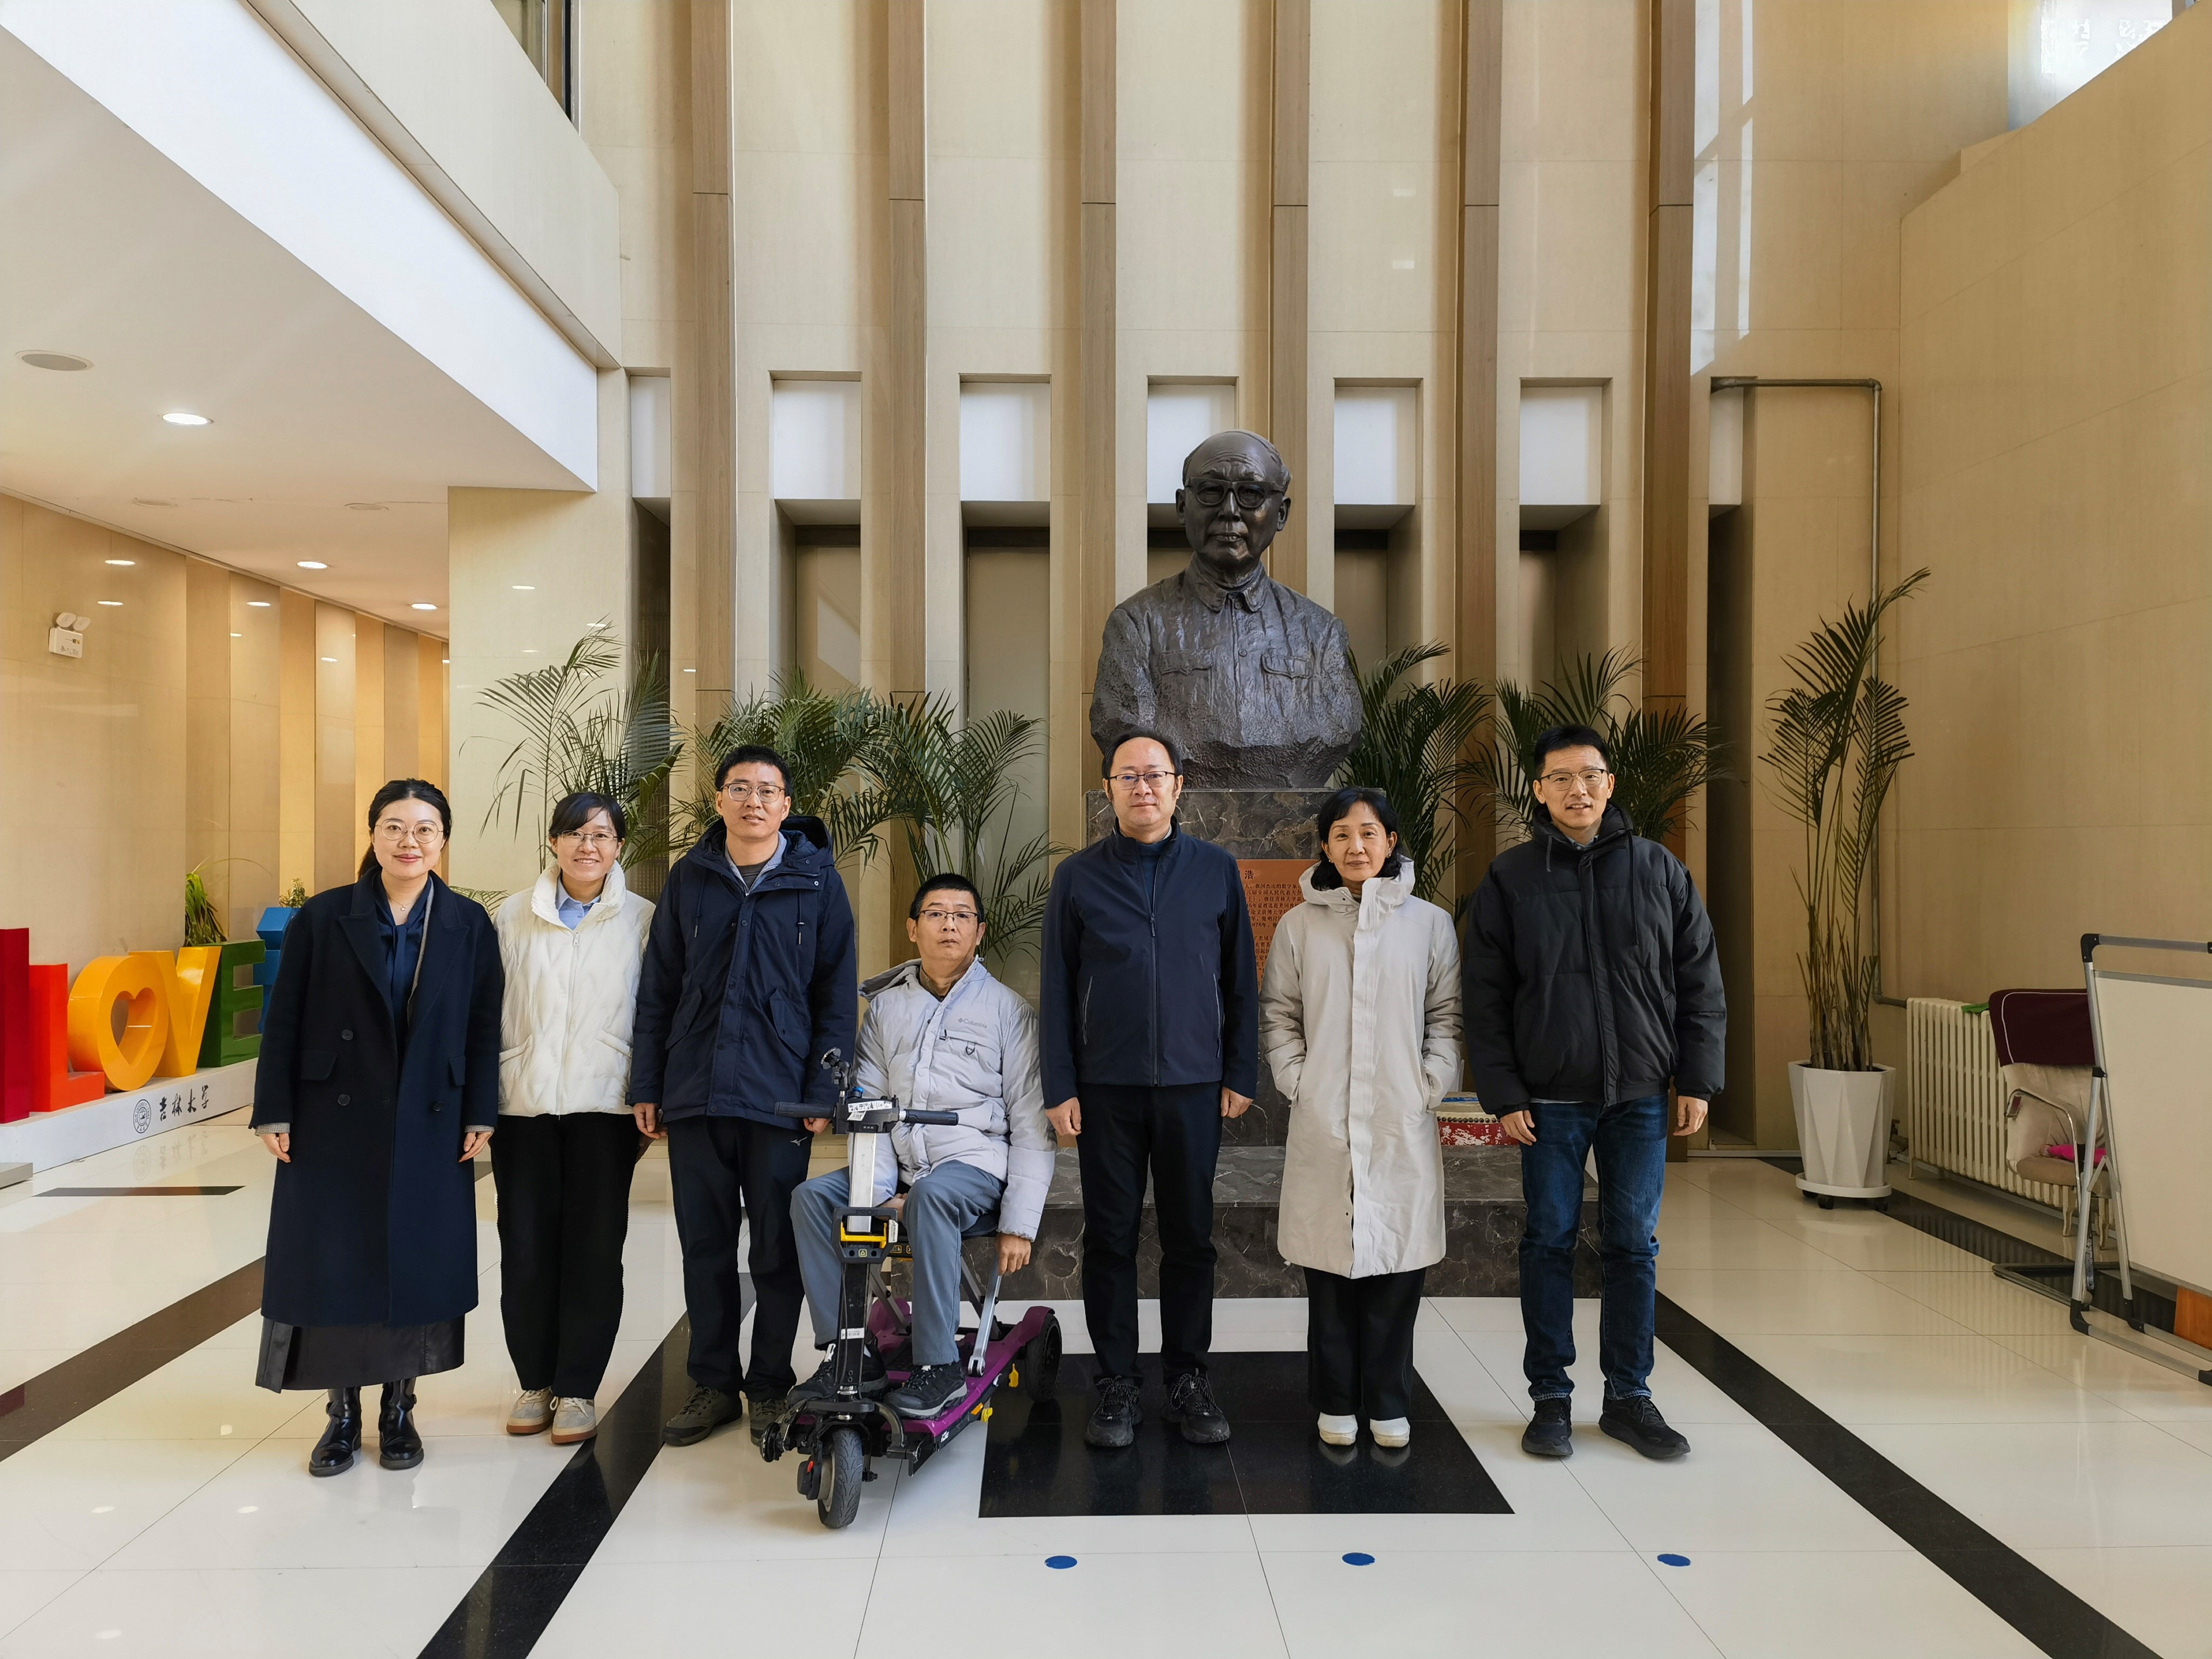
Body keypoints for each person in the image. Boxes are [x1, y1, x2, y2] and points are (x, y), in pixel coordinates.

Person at [1462, 725, 1725, 1462]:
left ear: (1609, 783)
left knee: (1632, 1245)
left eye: (1589, 775)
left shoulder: (1658, 869)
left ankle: (1628, 1398)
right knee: (1547, 1241)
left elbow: (1700, 980)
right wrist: (1503, 1091)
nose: (1577, 790)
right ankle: (1550, 1399)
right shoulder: (1511, 878)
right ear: (1538, 791)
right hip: (1547, 1098)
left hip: (1639, 1094)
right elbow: (1484, 996)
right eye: (1560, 778)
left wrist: (1697, 1078)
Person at [251, 779, 503, 1478]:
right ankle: (342, 1414)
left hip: (432, 1116)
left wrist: (481, 1109)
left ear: (443, 842)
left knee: (413, 1263)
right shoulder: (325, 915)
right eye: (394, 827)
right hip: (332, 1118)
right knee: (335, 1264)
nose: (409, 841)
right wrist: (274, 1108)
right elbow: (284, 1018)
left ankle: (399, 1409)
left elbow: (485, 1025)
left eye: (425, 829)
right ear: (373, 835)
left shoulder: (467, 923)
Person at [631, 745, 857, 1451]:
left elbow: (835, 995)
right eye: (739, 788)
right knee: (703, 1245)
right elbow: (658, 986)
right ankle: (712, 1383)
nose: (753, 801)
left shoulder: (818, 883)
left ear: (786, 805)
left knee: (776, 1249)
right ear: (719, 800)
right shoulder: (690, 878)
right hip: (695, 1089)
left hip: (779, 1095)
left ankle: (768, 1384)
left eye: (767, 790)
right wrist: (649, 1084)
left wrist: (823, 1090)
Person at [1041, 730, 1258, 1449]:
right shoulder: (1078, 877)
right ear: (1108, 788)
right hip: (1105, 1089)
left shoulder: (1216, 870)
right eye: (1128, 776)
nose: (1143, 787)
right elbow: (1056, 987)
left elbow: (1241, 980)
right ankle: (1116, 1383)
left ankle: (1189, 1378)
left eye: (1155, 775)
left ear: (1178, 786)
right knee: (1110, 1238)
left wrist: (1240, 1071)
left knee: (1190, 1237)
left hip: (1194, 1086)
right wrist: (1060, 1085)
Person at [789, 873, 1053, 1418]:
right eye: (935, 914)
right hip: (901, 1166)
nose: (948, 925)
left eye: (961, 915)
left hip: (973, 1166)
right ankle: (849, 1352)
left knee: (932, 1196)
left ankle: (940, 1367)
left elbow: (1031, 1121)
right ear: (913, 929)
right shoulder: (886, 1010)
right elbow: (870, 1110)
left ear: (979, 931)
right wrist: (876, 1191)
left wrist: (1019, 1224)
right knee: (810, 1198)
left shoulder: (1008, 1011)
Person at [1262, 789, 1461, 1450]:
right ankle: (1335, 1399)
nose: (1356, 846)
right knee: (1328, 1267)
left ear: (1391, 841)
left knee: (1397, 1265)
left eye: (1369, 833)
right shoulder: (1299, 926)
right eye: (1342, 835)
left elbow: (1446, 1017)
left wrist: (1429, 1082)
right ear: (1325, 846)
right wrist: (1298, 1080)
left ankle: (1388, 1400)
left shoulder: (1429, 924)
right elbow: (1280, 1014)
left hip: (1399, 1114)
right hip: (1325, 1116)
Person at [490, 792, 656, 1448]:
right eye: (576, 834)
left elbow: (657, 1013)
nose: (589, 847)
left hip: (605, 1108)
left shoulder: (642, 919)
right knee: (525, 1249)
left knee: (593, 1251)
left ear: (619, 847)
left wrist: (650, 1093)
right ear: (553, 842)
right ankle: (535, 1382)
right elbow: (485, 1011)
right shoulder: (510, 916)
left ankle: (579, 1388)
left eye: (603, 835)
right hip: (522, 1106)